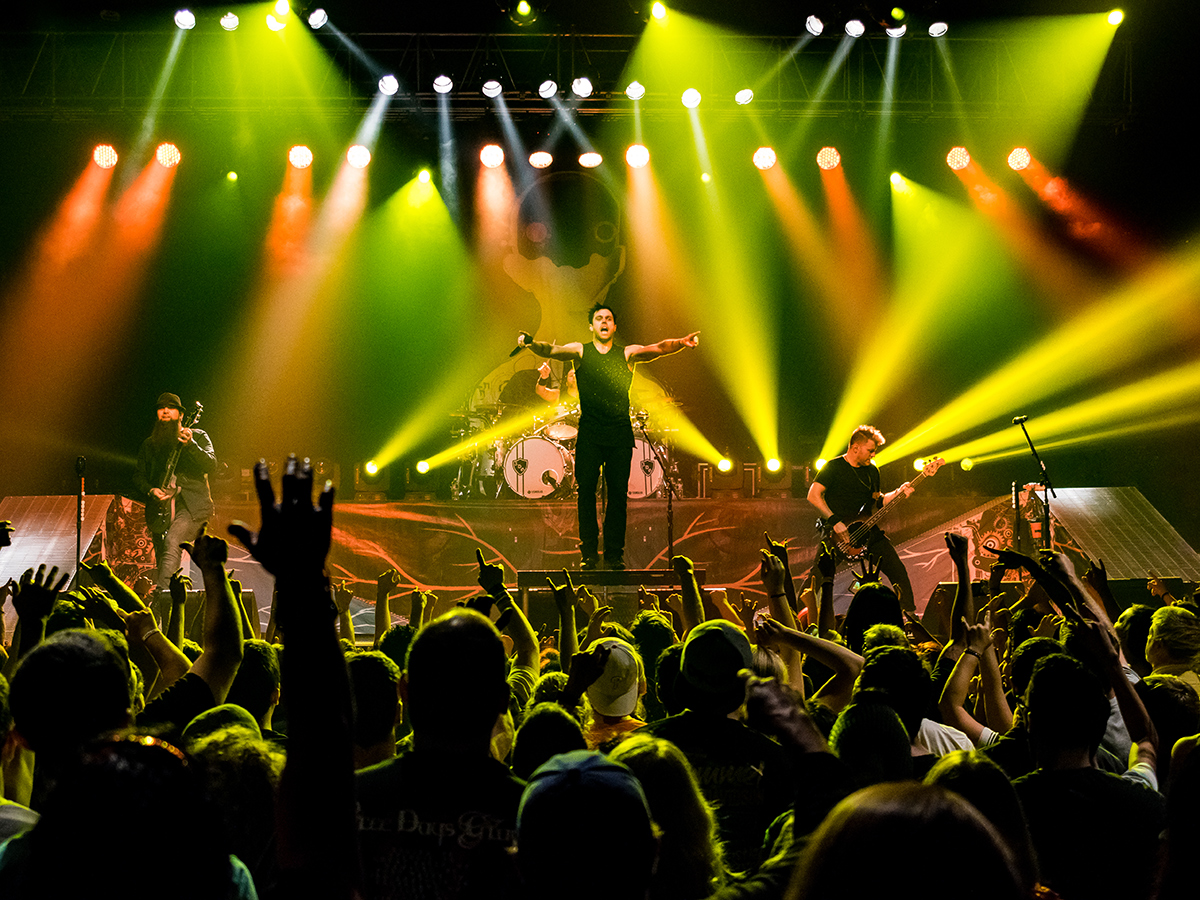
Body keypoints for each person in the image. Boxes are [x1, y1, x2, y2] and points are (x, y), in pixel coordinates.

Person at [517, 303, 698, 569]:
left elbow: (658, 348)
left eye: (608, 318)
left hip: (619, 434)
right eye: (599, 318)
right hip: (589, 434)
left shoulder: (626, 354)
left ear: (614, 326)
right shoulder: (580, 351)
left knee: (617, 497)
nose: (604, 322)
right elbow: (551, 350)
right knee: (586, 495)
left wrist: (681, 342)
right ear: (591, 325)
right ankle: (588, 553)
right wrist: (531, 344)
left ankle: (614, 554)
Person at [806, 425, 914, 609]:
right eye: (870, 450)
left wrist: (898, 492)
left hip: (866, 529)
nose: (873, 455)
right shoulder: (834, 467)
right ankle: (790, 620)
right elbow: (813, 495)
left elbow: (877, 500)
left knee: (898, 572)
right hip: (838, 533)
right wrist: (835, 522)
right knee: (815, 579)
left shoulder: (872, 471)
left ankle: (910, 618)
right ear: (855, 447)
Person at [132, 392, 216, 594]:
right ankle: (172, 610)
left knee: (173, 541)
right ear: (157, 415)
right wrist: (151, 490)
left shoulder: (198, 436)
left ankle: (160, 600)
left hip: (193, 507)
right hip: (161, 510)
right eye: (161, 408)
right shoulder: (150, 445)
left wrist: (191, 446)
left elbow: (211, 465)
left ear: (181, 415)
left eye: (171, 408)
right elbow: (138, 477)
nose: (166, 411)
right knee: (164, 557)